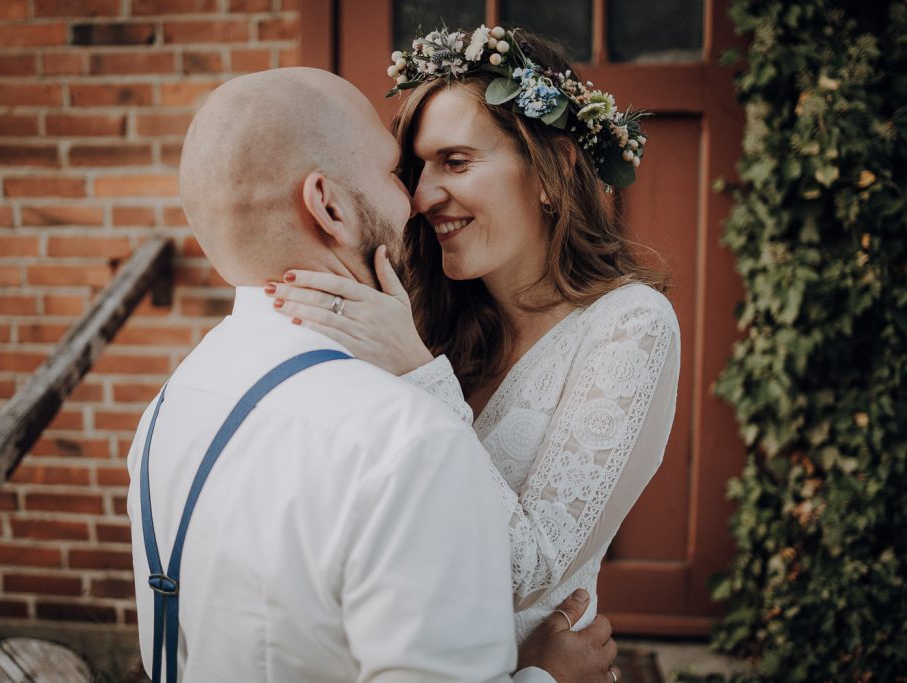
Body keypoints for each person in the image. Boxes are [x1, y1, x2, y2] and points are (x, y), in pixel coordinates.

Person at [126, 67, 622, 682]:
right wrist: (542, 678)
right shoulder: (405, 440)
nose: (416, 198)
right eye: (396, 172)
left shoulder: (171, 406)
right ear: (328, 207)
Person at [271, 26, 682, 641]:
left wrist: (416, 373)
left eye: (456, 162)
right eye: (416, 169)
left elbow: (526, 571)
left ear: (554, 171)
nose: (424, 196)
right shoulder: (420, 313)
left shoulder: (630, 326)